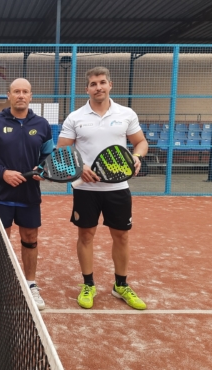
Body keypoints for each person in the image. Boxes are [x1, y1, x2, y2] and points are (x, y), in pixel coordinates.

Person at [56, 66, 148, 310]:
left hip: (118, 188)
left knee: (122, 236)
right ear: (87, 89)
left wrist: (137, 156)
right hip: (85, 190)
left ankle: (121, 285)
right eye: (93, 84)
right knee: (86, 236)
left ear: (110, 85)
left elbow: (140, 142)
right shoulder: (75, 117)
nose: (98, 87)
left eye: (102, 82)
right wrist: (80, 167)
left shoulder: (126, 113)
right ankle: (88, 284)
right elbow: (63, 149)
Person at [0, 78, 54, 310]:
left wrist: (43, 170)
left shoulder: (42, 124)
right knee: (1, 242)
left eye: (25, 91)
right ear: (8, 95)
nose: (21, 95)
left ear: (31, 96)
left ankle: (31, 284)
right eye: (16, 91)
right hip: (0, 194)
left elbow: (48, 156)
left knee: (30, 238)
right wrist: (3, 173)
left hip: (29, 195)